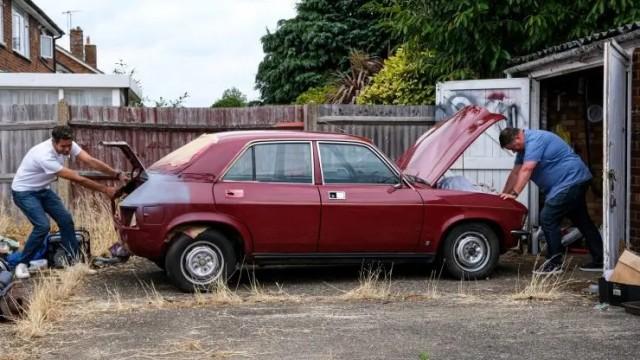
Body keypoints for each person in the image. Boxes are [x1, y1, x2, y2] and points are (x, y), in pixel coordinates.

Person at [10, 125, 128, 279]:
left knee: (66, 220)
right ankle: (22, 264)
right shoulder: (44, 155)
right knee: (42, 226)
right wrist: (105, 190)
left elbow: (90, 161)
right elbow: (76, 178)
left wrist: (117, 174)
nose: (67, 150)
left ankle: (74, 263)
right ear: (54, 142)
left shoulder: (69, 144)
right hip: (24, 192)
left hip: (42, 190)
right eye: (63, 146)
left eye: (69, 146)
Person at [499, 128, 603, 275]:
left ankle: (554, 264)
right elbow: (516, 172)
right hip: (572, 181)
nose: (514, 152)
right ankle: (600, 260)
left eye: (513, 148)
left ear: (517, 138)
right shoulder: (523, 150)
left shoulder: (534, 140)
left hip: (570, 181)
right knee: (582, 221)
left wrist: (515, 193)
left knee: (548, 218)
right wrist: (505, 193)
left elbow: (527, 168)